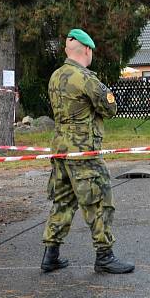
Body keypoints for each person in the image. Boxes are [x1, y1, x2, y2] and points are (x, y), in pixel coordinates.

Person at [39, 28, 133, 275]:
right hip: (84, 151)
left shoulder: (55, 76)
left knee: (62, 200)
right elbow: (110, 109)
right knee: (99, 200)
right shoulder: (85, 78)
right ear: (87, 50)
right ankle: (104, 255)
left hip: (60, 149)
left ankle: (51, 254)